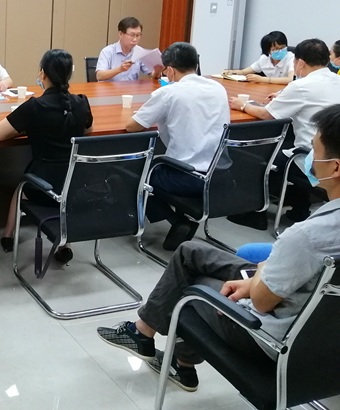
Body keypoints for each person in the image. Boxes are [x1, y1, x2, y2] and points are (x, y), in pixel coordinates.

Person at [96, 103, 340, 394]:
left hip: (274, 338)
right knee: (191, 252)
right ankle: (150, 340)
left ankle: (169, 355)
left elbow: (262, 302)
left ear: (335, 167)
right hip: (325, 335)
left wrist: (262, 271)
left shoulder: (306, 237)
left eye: (315, 150)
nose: (311, 158)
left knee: (190, 285)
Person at [0, 50, 93, 260]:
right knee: (58, 187)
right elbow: (89, 129)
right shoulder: (81, 102)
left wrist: (27, 128)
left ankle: (8, 235)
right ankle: (65, 244)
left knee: (20, 189)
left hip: (42, 186)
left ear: (43, 74)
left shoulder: (35, 106)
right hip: (75, 184)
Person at [127, 42, 230, 250]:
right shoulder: (218, 88)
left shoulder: (169, 93)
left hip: (186, 177)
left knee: (132, 171)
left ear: (171, 70)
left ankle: (177, 220)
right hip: (220, 173)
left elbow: (132, 126)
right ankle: (184, 216)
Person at [229, 39, 340, 225]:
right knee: (288, 146)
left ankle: (256, 214)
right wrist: (283, 96)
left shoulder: (301, 86)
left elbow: (267, 114)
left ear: (300, 63)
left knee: (260, 156)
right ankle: (300, 208)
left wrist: (243, 105)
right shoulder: (336, 79)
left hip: (313, 156)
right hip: (333, 153)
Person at [96, 17, 163, 82]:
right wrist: (120, 69)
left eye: (138, 35)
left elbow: (152, 75)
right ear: (121, 34)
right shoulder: (108, 51)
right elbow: (99, 76)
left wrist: (157, 71)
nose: (135, 39)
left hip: (132, 89)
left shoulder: (140, 51)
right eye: (132, 35)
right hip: (110, 89)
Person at [222, 30, 295, 85]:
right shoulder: (264, 59)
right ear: (267, 51)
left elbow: (290, 79)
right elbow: (243, 72)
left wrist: (262, 79)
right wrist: (231, 72)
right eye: (275, 49)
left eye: (282, 47)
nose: (280, 51)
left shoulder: (291, 58)